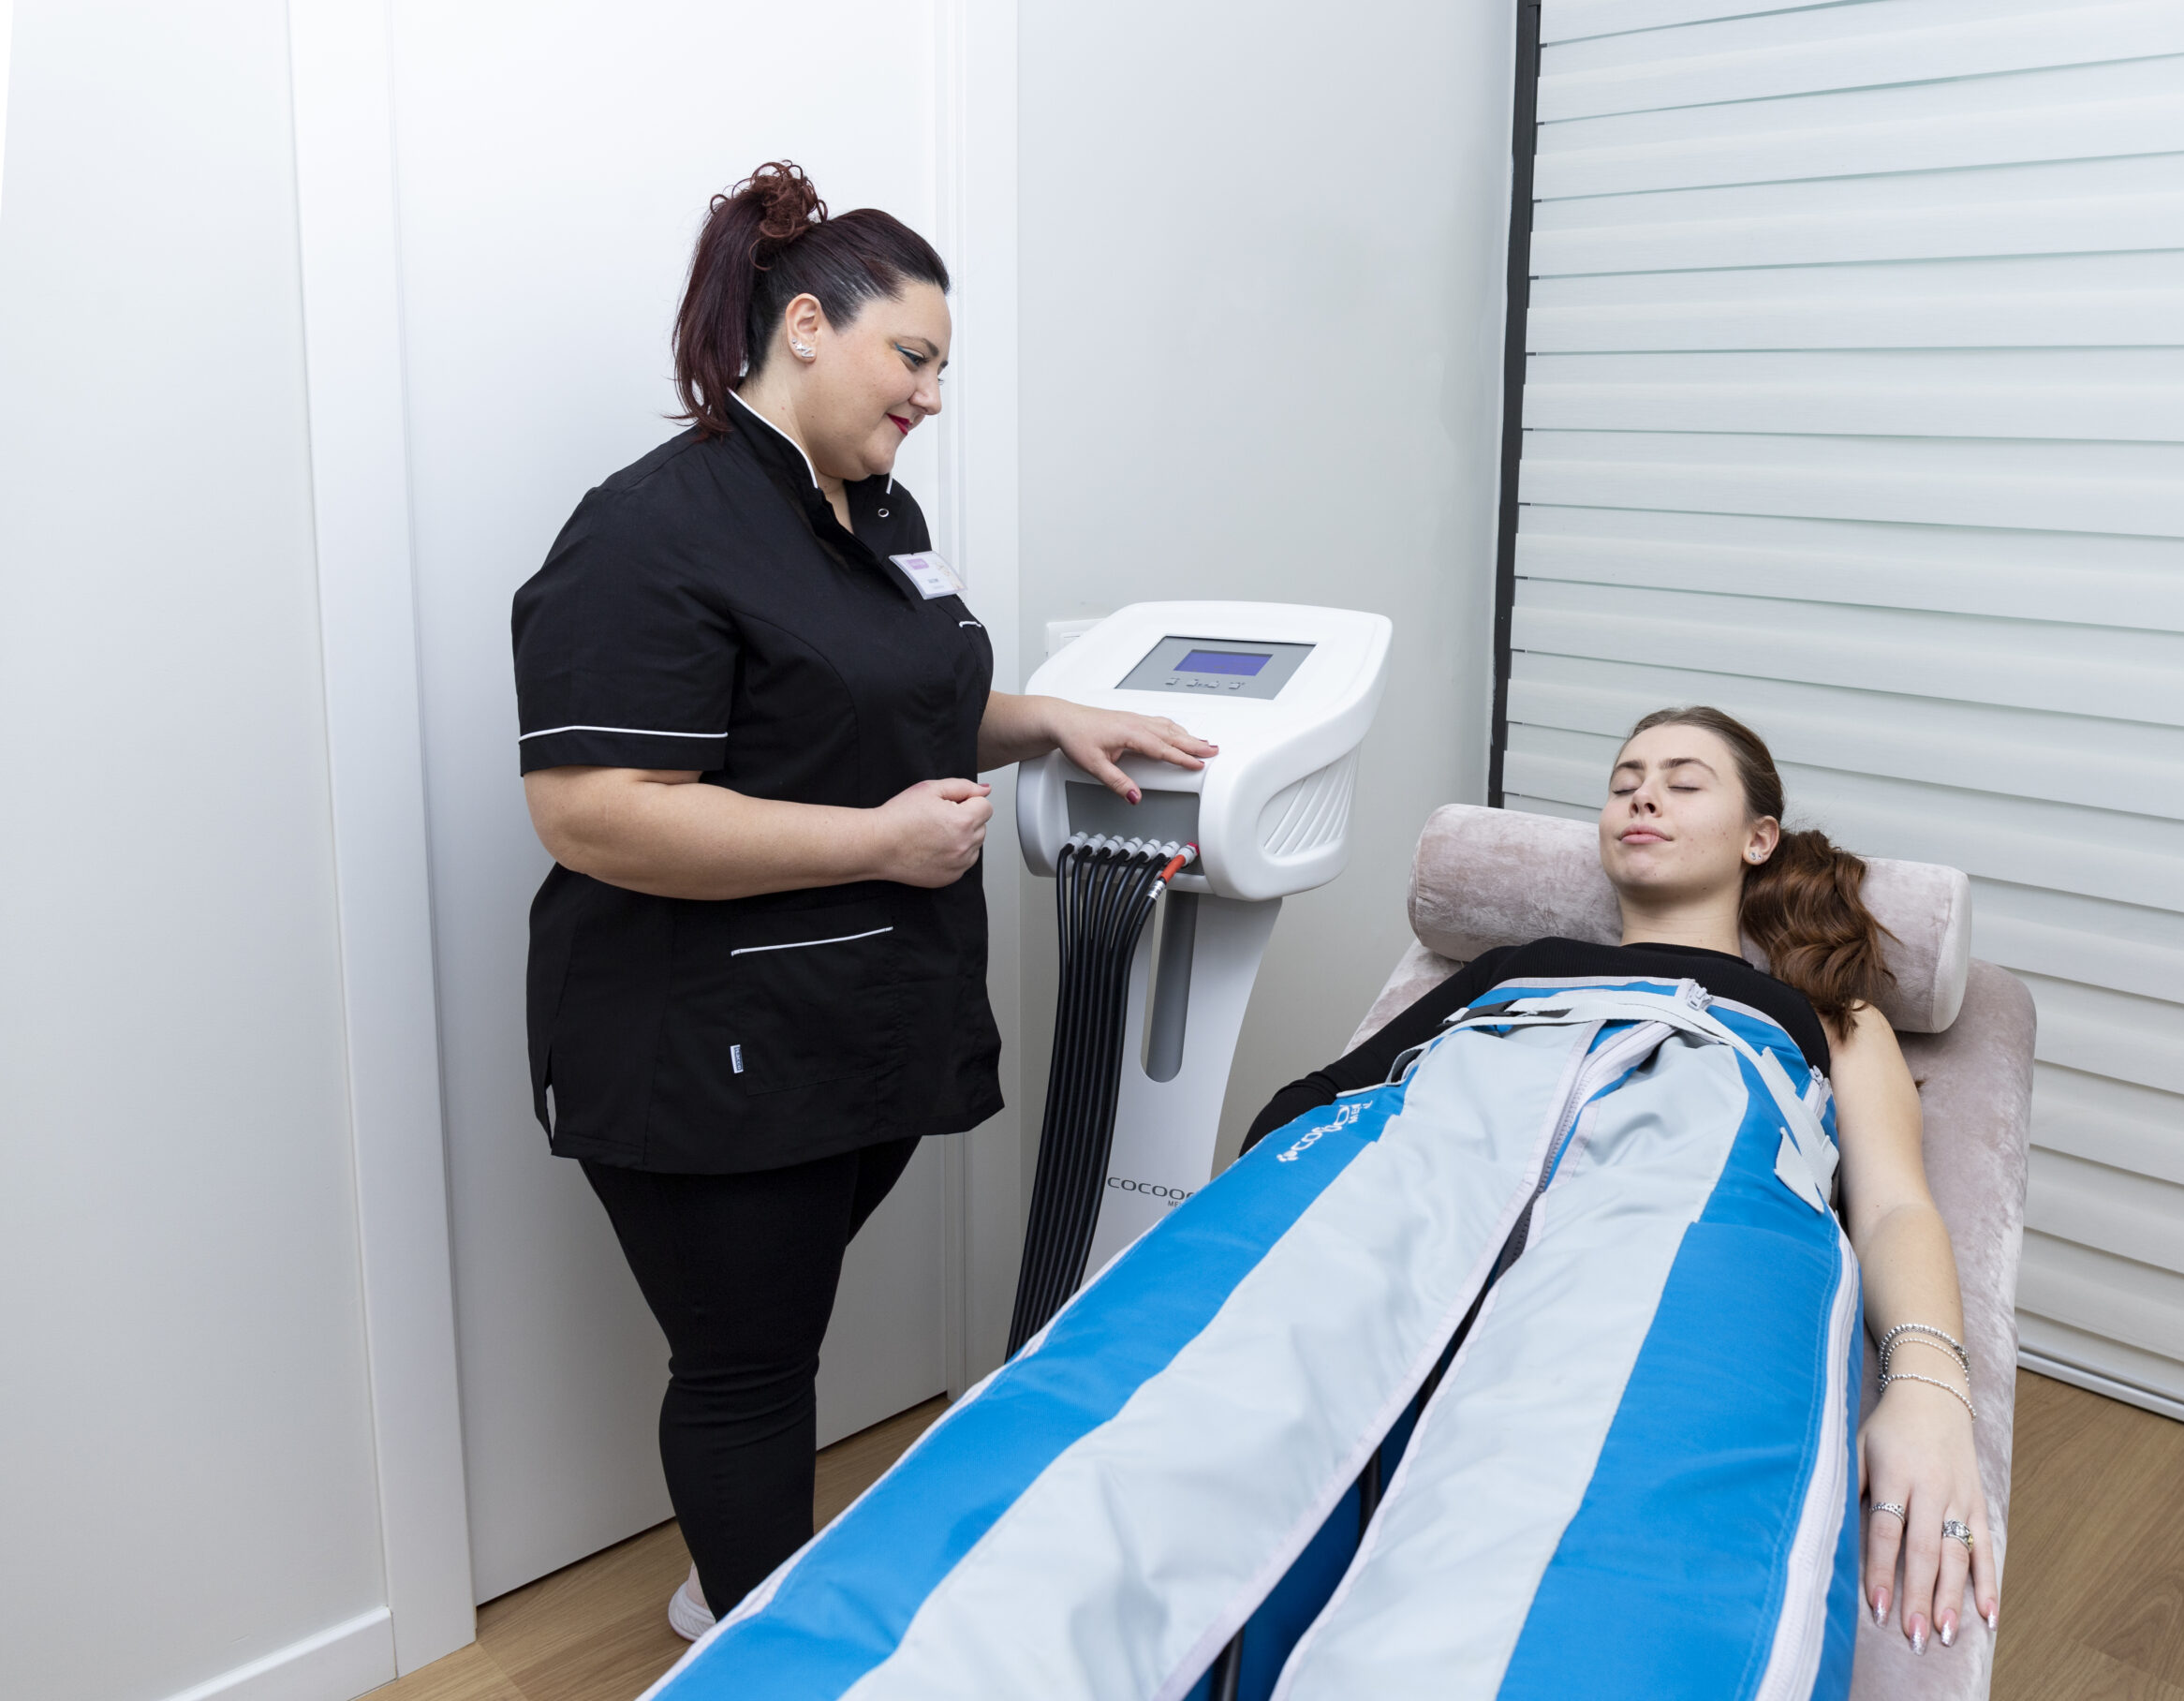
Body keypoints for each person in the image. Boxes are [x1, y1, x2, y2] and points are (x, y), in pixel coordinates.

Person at [510, 160, 1216, 1638]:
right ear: (807, 328)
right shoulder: (652, 529)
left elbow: (885, 700)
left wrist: (1048, 720)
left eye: (943, 369)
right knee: (749, 1369)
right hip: (706, 1039)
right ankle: (766, 1648)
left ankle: (732, 1585)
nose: (932, 396)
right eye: (914, 356)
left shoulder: (872, 510)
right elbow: (593, 810)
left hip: (854, 1021)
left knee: (775, 1324)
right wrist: (877, 845)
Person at [1246, 705, 2000, 1658]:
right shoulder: (1512, 974)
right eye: (1623, 783)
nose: (1643, 796)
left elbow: (1892, 1206)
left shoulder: (1819, 1017)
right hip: (1407, 1245)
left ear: (1758, 839)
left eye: (1683, 783)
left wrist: (1929, 1389)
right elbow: (1313, 1105)